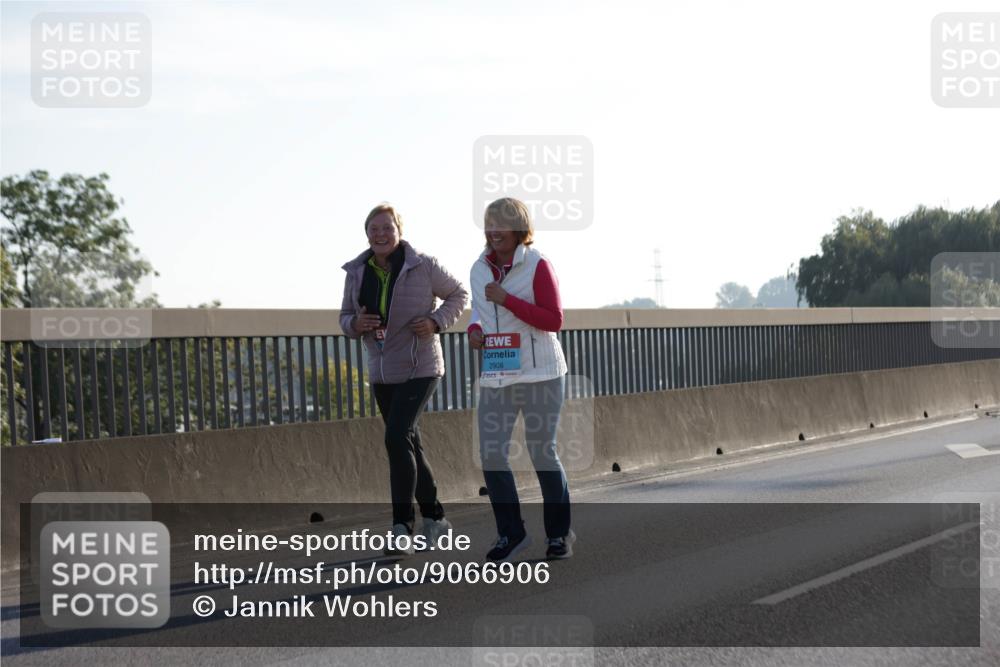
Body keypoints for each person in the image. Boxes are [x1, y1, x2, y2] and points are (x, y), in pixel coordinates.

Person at [340, 203, 468, 555]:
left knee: (396, 437)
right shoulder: (356, 271)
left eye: (387, 228)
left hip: (421, 366)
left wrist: (436, 321)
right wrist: (356, 325)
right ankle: (436, 519)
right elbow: (345, 316)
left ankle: (401, 528)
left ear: (399, 231)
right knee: (408, 441)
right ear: (367, 233)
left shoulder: (423, 265)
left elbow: (459, 294)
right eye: (374, 229)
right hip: (382, 370)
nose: (381, 234)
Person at [468, 197, 575, 561]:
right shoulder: (478, 268)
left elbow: (553, 320)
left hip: (541, 373)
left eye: (501, 224)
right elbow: (481, 314)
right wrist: (474, 329)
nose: (494, 231)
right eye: (489, 224)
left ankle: (559, 535)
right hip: (498, 375)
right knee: (492, 455)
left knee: (542, 452)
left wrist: (508, 299)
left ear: (518, 228)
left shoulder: (537, 264)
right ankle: (511, 534)